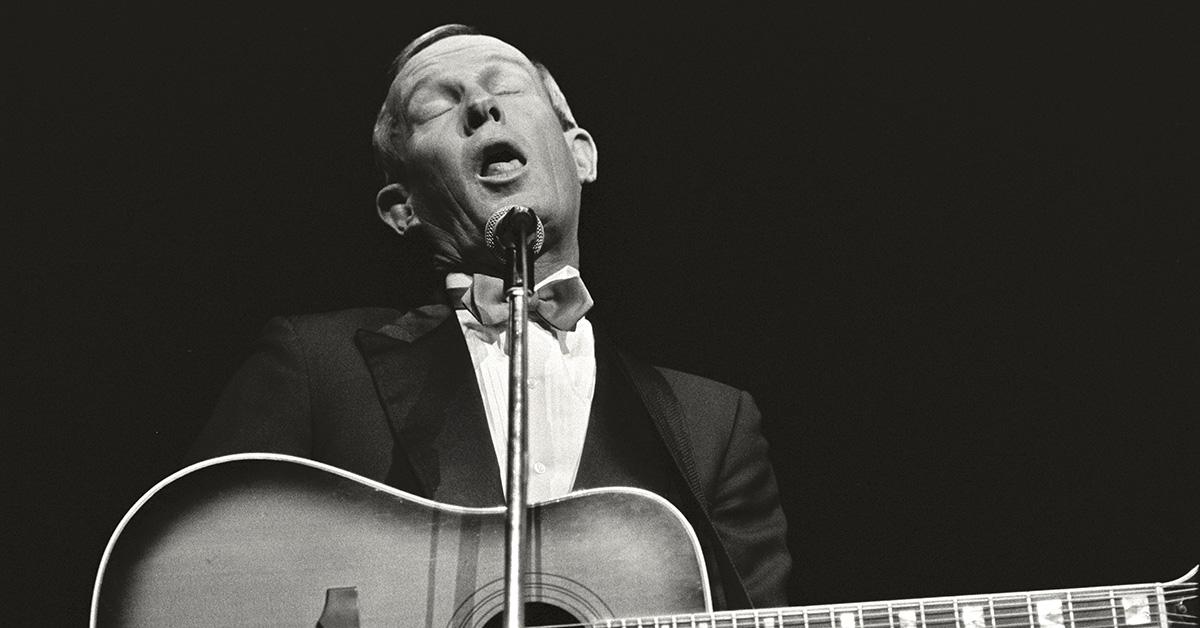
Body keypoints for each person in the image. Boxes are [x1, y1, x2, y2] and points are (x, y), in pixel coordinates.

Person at [187, 23, 792, 610]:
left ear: (580, 154)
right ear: (403, 208)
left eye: (506, 87)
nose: (481, 106)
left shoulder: (713, 425)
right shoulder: (317, 365)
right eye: (436, 106)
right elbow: (189, 578)